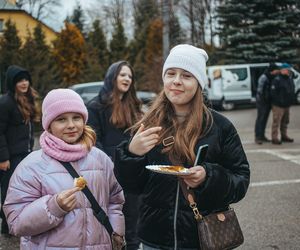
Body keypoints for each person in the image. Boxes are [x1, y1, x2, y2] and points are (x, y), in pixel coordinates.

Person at [114, 44, 250, 250]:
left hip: (202, 238)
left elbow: (240, 181)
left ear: (198, 83)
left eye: (186, 75)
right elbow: (131, 186)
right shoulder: (148, 124)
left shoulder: (220, 127)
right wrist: (132, 154)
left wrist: (208, 176)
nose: (176, 81)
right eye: (171, 74)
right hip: (155, 239)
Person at [3, 89, 125, 249]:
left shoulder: (100, 159)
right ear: (49, 125)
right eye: (61, 119)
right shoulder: (31, 166)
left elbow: (115, 199)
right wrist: (53, 207)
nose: (71, 125)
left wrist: (116, 231)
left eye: (77, 118)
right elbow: (15, 222)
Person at [87, 61, 143, 250]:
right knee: (110, 222)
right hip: (108, 172)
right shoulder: (96, 106)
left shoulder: (134, 106)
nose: (127, 78)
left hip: (132, 169)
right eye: (122, 75)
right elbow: (93, 139)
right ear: (112, 77)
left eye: (129, 76)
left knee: (134, 221)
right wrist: (110, 162)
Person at [0, 65, 40, 236]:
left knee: (23, 190)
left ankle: (18, 223)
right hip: (10, 156)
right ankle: (7, 227)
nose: (24, 83)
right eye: (19, 81)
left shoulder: (27, 98)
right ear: (12, 83)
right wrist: (3, 157)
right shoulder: (6, 102)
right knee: (9, 190)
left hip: (25, 153)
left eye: (26, 80)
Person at [254, 63, 280, 144]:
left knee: (264, 119)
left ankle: (262, 136)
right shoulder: (264, 77)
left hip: (268, 101)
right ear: (272, 70)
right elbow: (260, 90)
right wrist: (263, 100)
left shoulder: (273, 77)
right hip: (262, 102)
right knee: (260, 119)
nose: (277, 71)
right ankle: (258, 137)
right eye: (276, 70)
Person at [270, 63, 295, 144]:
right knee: (276, 122)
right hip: (278, 105)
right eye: (288, 70)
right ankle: (274, 138)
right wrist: (279, 102)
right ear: (282, 70)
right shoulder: (277, 79)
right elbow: (273, 93)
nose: (289, 71)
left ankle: (284, 136)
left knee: (285, 122)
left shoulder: (289, 78)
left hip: (286, 105)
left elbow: (291, 90)